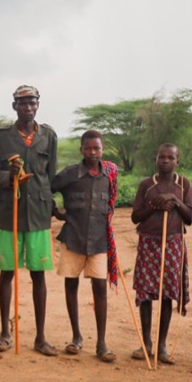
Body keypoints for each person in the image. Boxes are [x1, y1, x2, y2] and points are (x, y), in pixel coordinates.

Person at [0, 85, 59, 356]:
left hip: (39, 215)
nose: (28, 107)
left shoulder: (48, 136)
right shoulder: (2, 137)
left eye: (32, 102)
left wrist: (54, 207)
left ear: (38, 104)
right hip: (10, 214)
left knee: (39, 275)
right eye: (22, 103)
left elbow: (50, 177)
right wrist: (10, 176)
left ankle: (41, 338)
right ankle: (5, 333)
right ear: (14, 106)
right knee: (7, 273)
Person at [50, 129, 120, 362]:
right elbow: (45, 188)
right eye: (88, 148)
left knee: (100, 288)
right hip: (73, 238)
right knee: (71, 286)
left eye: (97, 148)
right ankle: (76, 337)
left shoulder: (109, 175)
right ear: (81, 150)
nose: (92, 152)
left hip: (99, 241)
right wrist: (56, 212)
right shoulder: (70, 174)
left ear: (102, 150)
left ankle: (101, 343)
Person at [128, 143, 192, 365]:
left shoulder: (183, 184)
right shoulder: (147, 185)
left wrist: (175, 202)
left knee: (168, 293)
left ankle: (161, 345)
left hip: (173, 243)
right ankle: (146, 342)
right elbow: (135, 217)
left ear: (178, 161)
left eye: (171, 157)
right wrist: (154, 206)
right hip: (149, 243)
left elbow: (190, 217)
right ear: (156, 159)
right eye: (162, 157)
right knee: (147, 293)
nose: (166, 160)